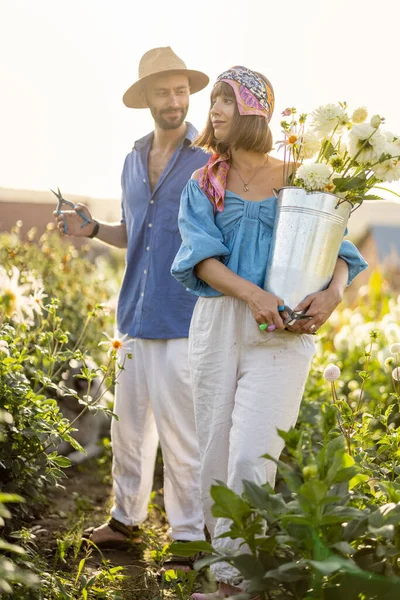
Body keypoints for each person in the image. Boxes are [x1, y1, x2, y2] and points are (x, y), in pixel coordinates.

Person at [171, 65, 368, 598]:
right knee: (215, 449)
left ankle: (239, 583)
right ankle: (228, 570)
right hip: (220, 323)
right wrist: (254, 294)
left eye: (227, 101)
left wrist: (333, 294)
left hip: (284, 334)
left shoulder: (302, 175)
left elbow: (341, 252)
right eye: (213, 102)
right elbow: (201, 260)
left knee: (252, 452)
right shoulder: (204, 181)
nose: (214, 111)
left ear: (254, 110)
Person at [54, 46, 210, 568]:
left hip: (183, 317)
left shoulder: (208, 159)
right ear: (146, 98)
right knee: (129, 429)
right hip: (133, 318)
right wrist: (93, 229)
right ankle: (125, 520)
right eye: (164, 91)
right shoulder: (130, 160)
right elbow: (135, 233)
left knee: (181, 434)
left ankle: (189, 535)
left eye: (182, 90)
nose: (175, 100)